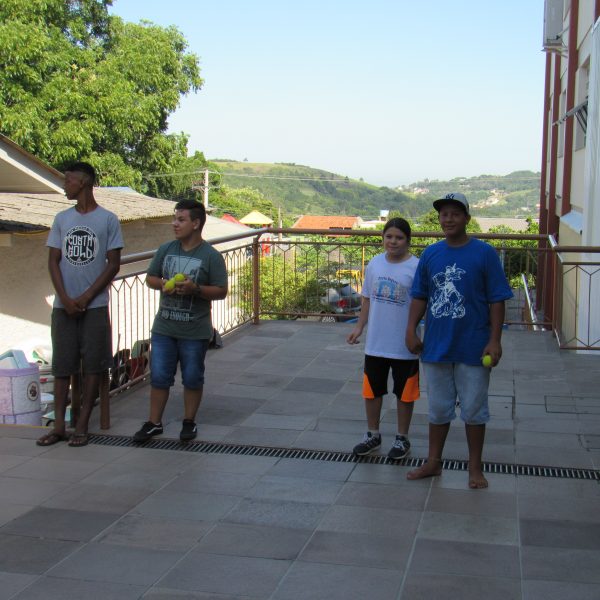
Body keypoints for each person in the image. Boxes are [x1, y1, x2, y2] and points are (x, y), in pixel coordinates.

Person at [405, 192, 513, 488]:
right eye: (444, 214)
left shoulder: (484, 253)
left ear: (467, 218)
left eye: (455, 213)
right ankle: (433, 462)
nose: (449, 219)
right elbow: (420, 295)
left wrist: (495, 340)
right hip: (436, 346)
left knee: (474, 410)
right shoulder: (431, 254)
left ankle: (475, 468)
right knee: (438, 408)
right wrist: (411, 329)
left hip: (474, 347)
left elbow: (497, 299)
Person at [37, 162, 123, 447]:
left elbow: (113, 264)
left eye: (68, 180)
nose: (65, 185)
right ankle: (59, 427)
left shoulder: (108, 220)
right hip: (64, 307)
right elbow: (53, 261)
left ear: (84, 182)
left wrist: (87, 297)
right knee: (62, 365)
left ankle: (83, 424)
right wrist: (64, 297)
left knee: (94, 367)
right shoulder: (62, 219)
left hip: (94, 306)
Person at [133, 199, 228, 443]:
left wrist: (195, 289)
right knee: (159, 377)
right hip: (164, 327)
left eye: (181, 220)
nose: (174, 224)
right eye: (175, 219)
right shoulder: (165, 249)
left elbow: (221, 291)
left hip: (195, 330)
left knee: (193, 377)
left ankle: (189, 421)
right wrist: (164, 284)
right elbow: (150, 278)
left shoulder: (211, 256)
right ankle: (154, 423)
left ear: (196, 224)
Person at [347, 217, 420, 459]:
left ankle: (402, 438)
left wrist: (418, 334)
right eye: (389, 236)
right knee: (372, 390)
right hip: (376, 343)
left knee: (405, 393)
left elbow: (422, 303)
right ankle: (373, 435)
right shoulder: (375, 264)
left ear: (408, 240)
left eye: (399, 237)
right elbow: (367, 298)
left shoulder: (417, 267)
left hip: (404, 345)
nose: (393, 241)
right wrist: (359, 327)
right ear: (383, 238)